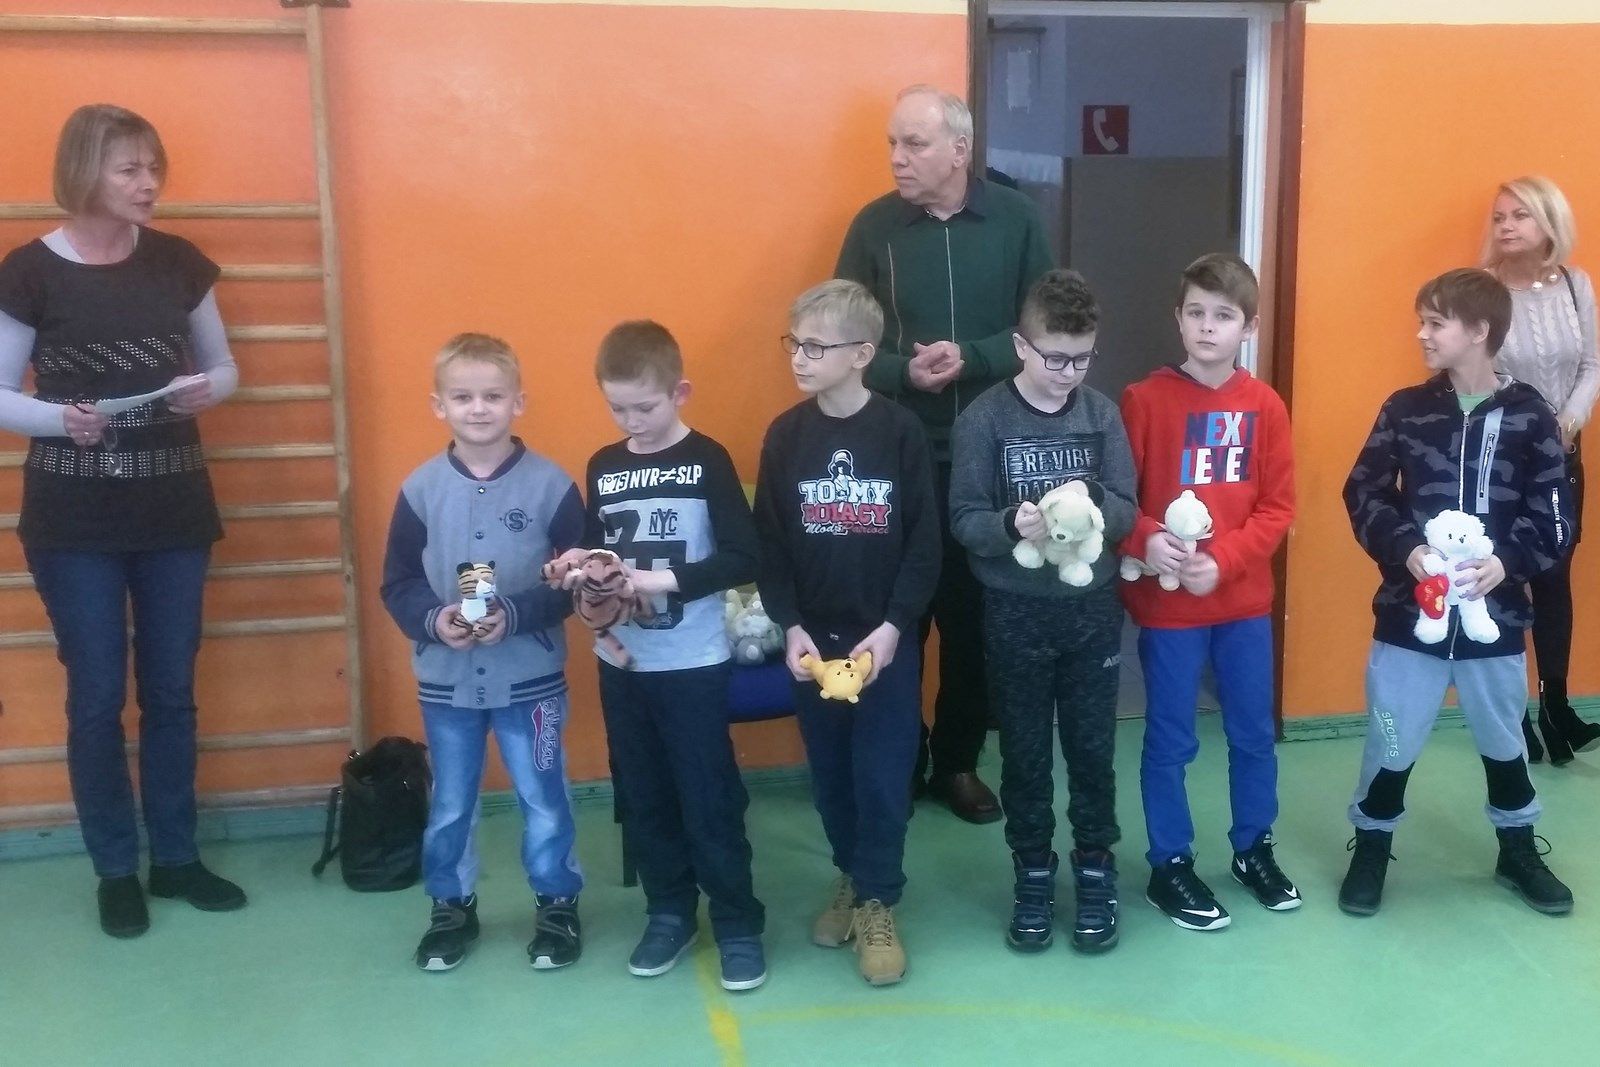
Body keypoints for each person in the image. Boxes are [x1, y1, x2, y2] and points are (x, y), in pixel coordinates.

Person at [0, 104, 242, 938]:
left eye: (153, 167)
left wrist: (212, 389)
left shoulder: (178, 262)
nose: (148, 183)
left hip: (173, 507)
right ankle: (115, 868)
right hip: (73, 520)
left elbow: (223, 366)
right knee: (97, 694)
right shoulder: (29, 270)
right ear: (84, 172)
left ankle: (175, 857)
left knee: (172, 690)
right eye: (129, 168)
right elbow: (0, 393)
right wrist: (58, 419)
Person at [835, 85, 1054, 823]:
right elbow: (840, 337)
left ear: (960, 150)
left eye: (915, 144)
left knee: (973, 624)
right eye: (893, 144)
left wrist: (975, 357)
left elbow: (1045, 326)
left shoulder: (1017, 220)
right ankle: (901, 758)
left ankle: (958, 763)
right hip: (895, 460)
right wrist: (903, 372)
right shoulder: (872, 227)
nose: (897, 158)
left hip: (989, 460)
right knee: (897, 616)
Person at [1339, 267, 1574, 917]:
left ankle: (1517, 847)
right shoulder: (1405, 409)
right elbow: (1363, 492)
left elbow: (1556, 514)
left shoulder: (1531, 417)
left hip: (1496, 621)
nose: (1422, 334)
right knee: (1391, 736)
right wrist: (1406, 549)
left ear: (1478, 331)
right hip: (1408, 618)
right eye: (1422, 321)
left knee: (1504, 738)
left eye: (1435, 323)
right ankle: (1371, 843)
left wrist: (1509, 562)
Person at [380, 332, 585, 972]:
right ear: (438, 405)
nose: (478, 408)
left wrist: (516, 615)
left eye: (493, 396)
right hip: (447, 684)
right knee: (451, 804)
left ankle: (557, 902)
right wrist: (433, 619)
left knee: (542, 797)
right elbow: (398, 583)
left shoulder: (553, 486)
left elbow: (575, 582)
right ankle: (451, 906)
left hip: (531, 682)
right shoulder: (419, 490)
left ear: (518, 402)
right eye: (463, 397)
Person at [754, 279, 940, 986]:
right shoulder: (786, 436)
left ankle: (879, 899)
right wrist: (791, 625)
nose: (798, 358)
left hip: (883, 644)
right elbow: (771, 544)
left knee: (882, 778)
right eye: (794, 344)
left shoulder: (900, 432)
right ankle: (852, 876)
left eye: (815, 347)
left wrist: (894, 627)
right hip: (815, 643)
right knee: (831, 779)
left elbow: (923, 544)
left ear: (861, 354)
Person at [949, 269, 1137, 953]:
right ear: (1020, 346)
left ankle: (1095, 866)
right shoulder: (984, 420)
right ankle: (1032, 870)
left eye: (1082, 358)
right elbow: (964, 520)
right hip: (1015, 613)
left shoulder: (1102, 415)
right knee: (1024, 754)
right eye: (1054, 357)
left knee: (1092, 751)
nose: (1068, 373)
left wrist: (1093, 503)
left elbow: (1127, 509)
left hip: (1092, 612)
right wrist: (1010, 524)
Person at [579, 320, 766, 991]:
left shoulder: (708, 459)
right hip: (623, 664)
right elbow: (594, 550)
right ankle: (668, 911)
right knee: (644, 793)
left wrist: (661, 580)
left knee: (708, 796)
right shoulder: (603, 466)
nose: (632, 421)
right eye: (618, 408)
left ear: (679, 392)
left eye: (645, 407)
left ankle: (737, 921)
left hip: (692, 664)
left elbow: (744, 555)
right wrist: (586, 577)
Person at [1120, 253, 1298, 932]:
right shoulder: (1145, 400)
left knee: (1253, 733)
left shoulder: (1265, 406)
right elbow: (1119, 500)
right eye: (1195, 312)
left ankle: (1254, 848)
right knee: (1170, 739)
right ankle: (1169, 862)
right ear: (1178, 318)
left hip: (1243, 606)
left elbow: (1277, 508)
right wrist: (1145, 539)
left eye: (1222, 316)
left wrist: (1222, 560)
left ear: (1247, 327)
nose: (1206, 326)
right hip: (1170, 610)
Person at [1481, 176, 1600, 764]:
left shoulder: (1576, 285)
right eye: (1499, 216)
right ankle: (1515, 718)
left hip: (1563, 457)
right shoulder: (1482, 290)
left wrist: (1568, 422)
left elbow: (1592, 364)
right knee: (1503, 579)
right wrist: (1530, 427)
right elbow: (1470, 372)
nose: (1506, 226)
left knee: (1554, 581)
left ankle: (1557, 711)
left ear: (1549, 222)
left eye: (1520, 215)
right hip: (1502, 461)